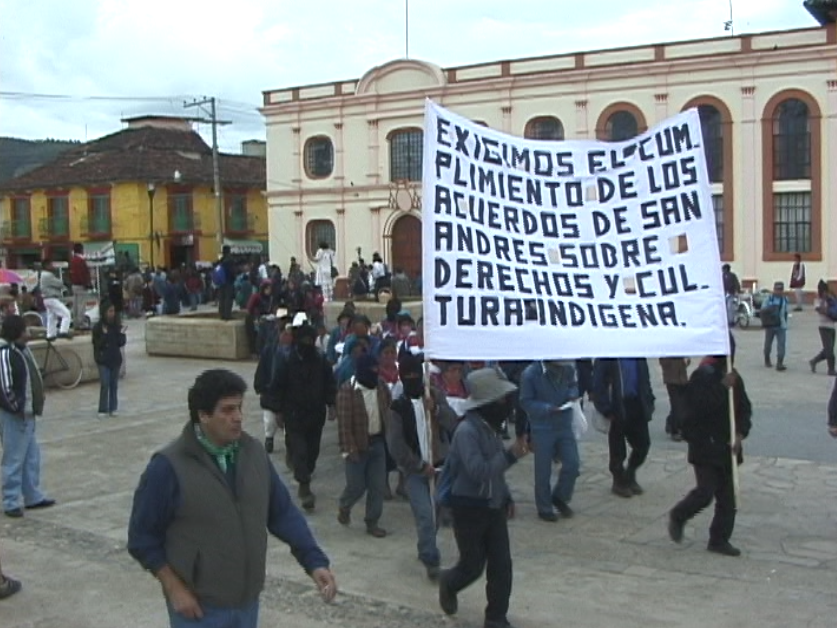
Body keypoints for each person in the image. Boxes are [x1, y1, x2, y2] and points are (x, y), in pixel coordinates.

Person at [127, 369, 337, 627]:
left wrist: (314, 562)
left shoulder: (254, 454)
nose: (238, 417)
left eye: (239, 408)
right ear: (203, 415)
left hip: (247, 605)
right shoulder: (168, 467)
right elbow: (141, 538)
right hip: (198, 610)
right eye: (227, 410)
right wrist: (174, 588)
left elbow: (282, 513)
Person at [438, 368, 529, 628]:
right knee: (473, 565)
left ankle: (495, 616)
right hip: (468, 507)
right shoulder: (466, 431)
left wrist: (506, 496)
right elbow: (478, 471)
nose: (505, 405)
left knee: (502, 565)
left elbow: (495, 475)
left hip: (493, 506)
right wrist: (511, 455)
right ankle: (449, 583)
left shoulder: (490, 428)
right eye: (500, 400)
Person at [669, 339, 752, 557]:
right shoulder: (702, 376)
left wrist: (740, 433)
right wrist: (722, 388)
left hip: (727, 448)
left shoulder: (734, 377)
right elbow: (696, 410)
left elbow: (744, 409)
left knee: (728, 498)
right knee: (705, 492)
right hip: (705, 446)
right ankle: (679, 515)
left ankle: (719, 539)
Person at [388, 352, 457, 580]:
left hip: (440, 467)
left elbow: (452, 422)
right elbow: (396, 444)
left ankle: (424, 546)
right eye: (407, 375)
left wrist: (435, 409)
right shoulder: (397, 408)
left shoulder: (434, 395)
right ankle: (431, 558)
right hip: (415, 473)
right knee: (425, 515)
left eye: (415, 374)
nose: (413, 378)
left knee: (437, 515)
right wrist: (418, 465)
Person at [267, 319, 337, 511]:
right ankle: (304, 488)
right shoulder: (287, 360)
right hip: (293, 414)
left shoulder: (320, 360)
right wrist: (278, 411)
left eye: (310, 339)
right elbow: (277, 386)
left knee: (313, 452)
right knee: (300, 451)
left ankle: (305, 470)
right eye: (304, 339)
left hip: (315, 414)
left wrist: (332, 404)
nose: (307, 343)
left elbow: (329, 383)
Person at [0, 315, 54, 518]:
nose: (29, 332)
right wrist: (17, 408)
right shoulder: (5, 353)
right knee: (14, 458)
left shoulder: (22, 350)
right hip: (16, 415)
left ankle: (32, 495)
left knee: (31, 457)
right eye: (25, 329)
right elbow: (5, 387)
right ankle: (10, 500)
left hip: (28, 413)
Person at [336, 352, 392, 538]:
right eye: (372, 370)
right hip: (357, 446)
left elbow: (389, 410)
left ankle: (372, 522)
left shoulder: (381, 387)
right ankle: (345, 506)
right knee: (356, 486)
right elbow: (344, 423)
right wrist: (349, 449)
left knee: (377, 487)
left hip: (378, 443)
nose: (375, 374)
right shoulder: (348, 391)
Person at [519, 360, 580, 522]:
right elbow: (525, 401)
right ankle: (544, 507)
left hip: (564, 423)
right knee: (543, 470)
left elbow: (573, 384)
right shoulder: (530, 374)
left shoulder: (567, 369)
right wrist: (546, 408)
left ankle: (560, 496)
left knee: (573, 463)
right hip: (542, 426)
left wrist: (573, 394)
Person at [592, 358, 655, 498]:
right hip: (616, 405)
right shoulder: (608, 356)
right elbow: (598, 383)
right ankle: (618, 481)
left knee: (643, 444)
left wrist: (649, 400)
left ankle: (630, 473)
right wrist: (605, 408)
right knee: (617, 448)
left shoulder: (638, 355)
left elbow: (645, 378)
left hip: (636, 404)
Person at [92, 299, 126, 418]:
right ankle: (103, 408)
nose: (112, 314)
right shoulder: (97, 328)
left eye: (113, 311)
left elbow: (120, 343)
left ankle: (113, 407)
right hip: (103, 360)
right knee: (105, 384)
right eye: (110, 311)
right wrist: (105, 335)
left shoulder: (116, 326)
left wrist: (122, 334)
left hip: (115, 359)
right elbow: (97, 344)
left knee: (113, 384)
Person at [38, 261, 72, 340]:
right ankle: (63, 331)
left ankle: (50, 335)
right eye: (51, 265)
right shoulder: (47, 275)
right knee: (66, 313)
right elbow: (59, 283)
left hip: (47, 299)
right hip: (51, 298)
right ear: (46, 266)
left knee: (52, 317)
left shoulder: (43, 275)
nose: (53, 266)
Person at [659, 357, 690, 441]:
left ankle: (671, 422)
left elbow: (687, 360)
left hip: (682, 378)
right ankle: (675, 430)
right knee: (676, 404)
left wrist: (686, 360)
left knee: (682, 403)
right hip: (671, 379)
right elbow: (663, 361)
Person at [761, 281, 789, 371]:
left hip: (781, 325)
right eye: (777, 289)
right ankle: (767, 359)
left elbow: (786, 311)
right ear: (774, 289)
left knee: (781, 345)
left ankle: (779, 362)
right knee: (768, 344)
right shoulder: (769, 299)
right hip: (770, 325)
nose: (778, 292)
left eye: (780, 290)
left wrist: (785, 322)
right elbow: (763, 310)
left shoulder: (785, 299)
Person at [810, 279, 836, 376]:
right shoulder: (817, 300)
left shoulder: (831, 298)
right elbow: (821, 310)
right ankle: (831, 369)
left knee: (828, 349)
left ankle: (814, 361)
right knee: (829, 350)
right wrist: (825, 300)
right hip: (823, 327)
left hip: (832, 326)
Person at [69, 242, 91, 329]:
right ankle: (81, 323)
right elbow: (82, 274)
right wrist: (86, 284)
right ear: (81, 250)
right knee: (81, 305)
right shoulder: (81, 261)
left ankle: (75, 322)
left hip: (74, 285)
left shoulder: (72, 260)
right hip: (81, 285)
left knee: (75, 305)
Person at [217, 245, 236, 320]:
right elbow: (232, 271)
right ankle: (227, 315)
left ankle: (222, 314)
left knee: (222, 298)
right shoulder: (230, 260)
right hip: (229, 281)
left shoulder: (221, 260)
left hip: (221, 282)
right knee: (228, 298)